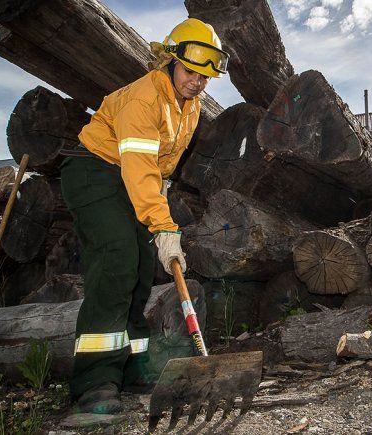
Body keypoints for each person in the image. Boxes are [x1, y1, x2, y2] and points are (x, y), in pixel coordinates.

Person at [59, 18, 229, 414]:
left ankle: (132, 366)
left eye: (205, 76)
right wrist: (164, 224)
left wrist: (160, 208)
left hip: (134, 178)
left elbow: (160, 167)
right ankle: (94, 382)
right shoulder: (143, 98)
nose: (197, 82)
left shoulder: (191, 107)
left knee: (138, 271)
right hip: (94, 172)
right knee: (117, 256)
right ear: (170, 60)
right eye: (191, 71)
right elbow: (138, 167)